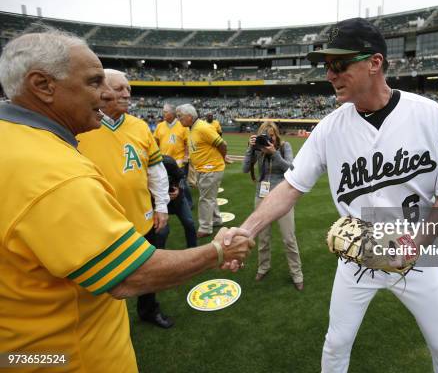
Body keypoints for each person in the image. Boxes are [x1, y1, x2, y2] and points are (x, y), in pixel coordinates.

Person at [221, 18, 438, 372]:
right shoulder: (329, 129)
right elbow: (290, 186)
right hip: (357, 255)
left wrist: (416, 243)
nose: (330, 74)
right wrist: (246, 230)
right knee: (336, 344)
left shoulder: (427, 115)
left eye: (339, 65)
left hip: (419, 256)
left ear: (374, 62)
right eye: (327, 66)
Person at [0, 30, 253, 371]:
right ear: (43, 85)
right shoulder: (52, 173)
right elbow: (130, 275)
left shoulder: (13, 141)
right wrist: (219, 251)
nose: (105, 94)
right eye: (93, 82)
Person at [242, 121, 304, 291]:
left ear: (276, 135)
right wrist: (251, 149)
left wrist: (274, 153)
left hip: (282, 196)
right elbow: (245, 169)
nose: (268, 138)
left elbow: (291, 169)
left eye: (271, 135)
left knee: (289, 238)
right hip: (261, 196)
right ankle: (263, 267)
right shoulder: (257, 149)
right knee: (263, 238)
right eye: (264, 135)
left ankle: (296, 273)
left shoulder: (285, 146)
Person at [176, 104, 229, 238]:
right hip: (203, 169)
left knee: (205, 199)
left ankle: (205, 228)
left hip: (210, 169)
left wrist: (223, 157)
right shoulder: (192, 128)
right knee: (209, 196)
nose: (178, 119)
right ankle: (216, 220)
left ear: (189, 116)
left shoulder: (202, 127)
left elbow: (222, 144)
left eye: (180, 116)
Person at [154, 103, 195, 227]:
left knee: (183, 184)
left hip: (178, 161)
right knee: (163, 183)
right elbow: (155, 141)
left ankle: (188, 203)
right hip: (163, 162)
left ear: (172, 113)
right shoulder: (160, 126)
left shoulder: (182, 126)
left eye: (165, 111)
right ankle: (166, 205)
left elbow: (188, 143)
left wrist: (185, 158)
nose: (163, 114)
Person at [156, 154, 197, 249]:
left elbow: (182, 178)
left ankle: (192, 248)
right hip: (159, 203)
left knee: (189, 222)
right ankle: (160, 254)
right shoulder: (148, 170)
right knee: (162, 231)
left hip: (177, 200)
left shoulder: (169, 164)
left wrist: (178, 190)